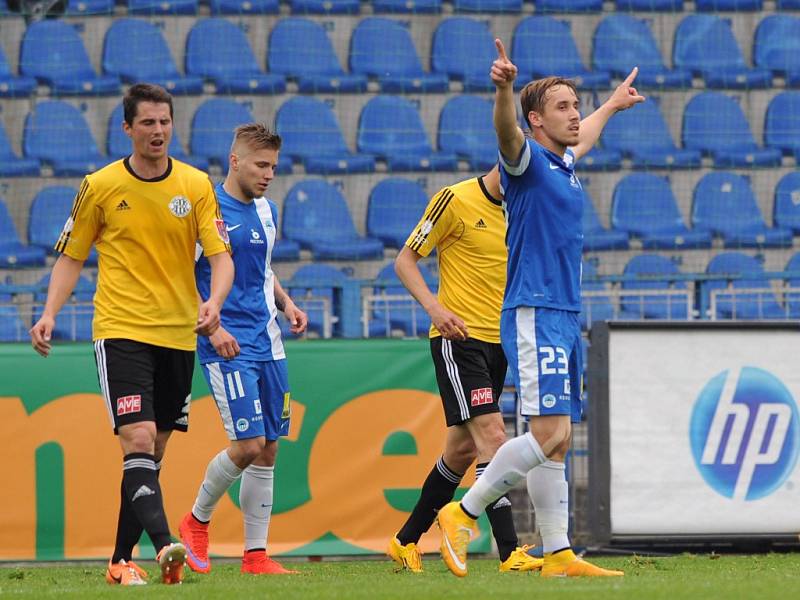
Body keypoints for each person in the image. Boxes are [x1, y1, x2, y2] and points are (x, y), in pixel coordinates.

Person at [436, 40, 644, 578]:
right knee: (548, 434)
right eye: (563, 107)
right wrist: (504, 89)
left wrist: (613, 105)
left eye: (576, 105)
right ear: (536, 119)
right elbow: (506, 134)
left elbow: (586, 136)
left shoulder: (564, 161)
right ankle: (461, 512)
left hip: (563, 313)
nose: (575, 115)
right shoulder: (525, 162)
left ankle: (557, 553)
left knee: (560, 439)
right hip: (533, 311)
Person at [29, 83, 234, 585]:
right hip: (120, 330)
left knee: (151, 452)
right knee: (138, 438)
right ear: (128, 129)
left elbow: (220, 257)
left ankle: (121, 561)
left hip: (178, 334)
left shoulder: (195, 185)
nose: (157, 131)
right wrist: (49, 313)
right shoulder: (99, 186)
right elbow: (72, 256)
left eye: (164, 122)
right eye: (147, 123)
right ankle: (167, 546)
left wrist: (215, 304)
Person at [387, 166, 542, 574]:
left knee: (460, 451)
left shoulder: (519, 209)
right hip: (459, 341)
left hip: (498, 344)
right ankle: (509, 553)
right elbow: (404, 262)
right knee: (494, 437)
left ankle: (404, 541)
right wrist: (435, 308)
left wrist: (612, 105)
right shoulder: (454, 199)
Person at [179, 124, 308, 576]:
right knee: (248, 444)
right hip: (227, 343)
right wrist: (210, 329)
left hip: (268, 341)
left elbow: (264, 270)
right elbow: (179, 275)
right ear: (235, 161)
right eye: (261, 164)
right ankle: (196, 520)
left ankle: (255, 556)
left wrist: (286, 302)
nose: (269, 174)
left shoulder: (268, 211)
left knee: (270, 447)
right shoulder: (206, 208)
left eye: (273, 165)